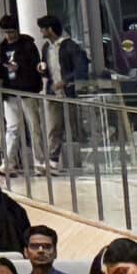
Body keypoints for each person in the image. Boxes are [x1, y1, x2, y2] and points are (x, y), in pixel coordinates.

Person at [0, 15, 47, 178]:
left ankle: (40, 163)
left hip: (26, 90)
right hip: (10, 92)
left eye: (12, 31)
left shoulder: (27, 45)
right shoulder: (2, 48)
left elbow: (35, 66)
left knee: (34, 126)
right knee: (13, 127)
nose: (9, 35)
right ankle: (8, 163)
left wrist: (20, 69)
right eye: (6, 32)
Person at [36, 13, 90, 170]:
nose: (41, 32)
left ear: (50, 29)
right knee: (54, 126)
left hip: (69, 92)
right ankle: (53, 160)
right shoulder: (46, 48)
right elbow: (47, 70)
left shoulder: (70, 46)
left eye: (43, 29)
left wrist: (65, 82)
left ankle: (79, 160)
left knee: (73, 126)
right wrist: (42, 70)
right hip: (53, 93)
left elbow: (81, 68)